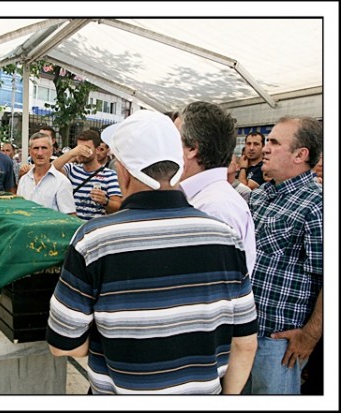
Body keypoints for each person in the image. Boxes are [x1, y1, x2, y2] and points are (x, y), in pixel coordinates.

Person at [46, 110, 257, 394]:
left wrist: (108, 338)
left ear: (123, 172)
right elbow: (244, 343)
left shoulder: (93, 240)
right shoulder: (226, 237)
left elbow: (63, 344)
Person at [248, 116, 323, 395]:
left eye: (275, 142)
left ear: (300, 155)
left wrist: (310, 335)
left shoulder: (317, 205)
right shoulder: (260, 196)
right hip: (242, 333)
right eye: (267, 141)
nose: (265, 148)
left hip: (278, 344)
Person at [176, 101, 256, 275]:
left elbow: (212, 285)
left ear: (192, 148)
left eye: (172, 139)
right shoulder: (208, 199)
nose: (165, 147)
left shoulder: (216, 208)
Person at [52, 129, 122, 220]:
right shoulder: (72, 169)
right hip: (73, 225)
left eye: (87, 148)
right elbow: (51, 169)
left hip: (95, 226)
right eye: (79, 148)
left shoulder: (110, 175)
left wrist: (105, 201)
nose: (82, 151)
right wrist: (72, 153)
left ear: (97, 150)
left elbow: (118, 207)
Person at [17, 132, 77, 215]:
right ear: (30, 151)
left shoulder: (62, 182)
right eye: (36, 148)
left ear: (51, 151)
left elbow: (70, 217)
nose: (40, 153)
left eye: (44, 148)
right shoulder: (24, 180)